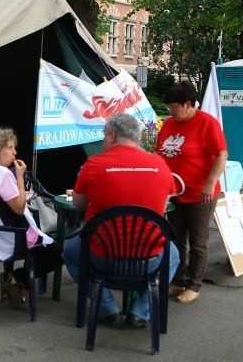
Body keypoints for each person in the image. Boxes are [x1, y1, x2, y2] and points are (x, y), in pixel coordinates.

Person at [63, 113, 180, 328]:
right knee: (173, 255)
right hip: (149, 259)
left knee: (70, 251)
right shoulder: (159, 164)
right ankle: (141, 311)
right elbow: (162, 206)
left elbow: (79, 205)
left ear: (111, 135)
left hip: (102, 257)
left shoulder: (93, 164)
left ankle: (106, 308)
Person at [0, 127, 63, 309]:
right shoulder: (2, 173)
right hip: (10, 238)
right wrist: (19, 177)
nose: (15, 152)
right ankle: (20, 278)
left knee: (44, 244)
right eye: (10, 148)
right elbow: (19, 208)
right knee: (59, 252)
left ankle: (13, 280)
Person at [156, 81, 227, 304]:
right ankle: (177, 280)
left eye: (174, 106)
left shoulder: (207, 123)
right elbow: (160, 153)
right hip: (174, 192)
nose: (170, 111)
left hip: (201, 193)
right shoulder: (169, 124)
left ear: (188, 104)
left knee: (198, 240)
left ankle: (194, 284)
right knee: (176, 239)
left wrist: (210, 182)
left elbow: (221, 155)